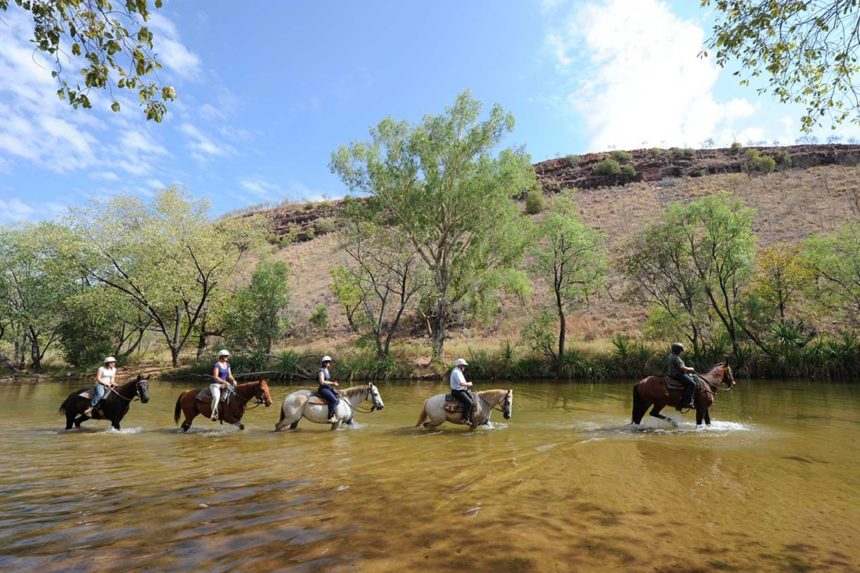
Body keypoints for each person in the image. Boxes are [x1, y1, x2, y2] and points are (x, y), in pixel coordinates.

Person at [666, 342, 697, 410]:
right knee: (693, 384)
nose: (681, 352)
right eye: (680, 350)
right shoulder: (676, 358)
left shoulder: (670, 355)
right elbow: (683, 368)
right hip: (677, 374)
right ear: (678, 350)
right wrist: (691, 368)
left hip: (671, 374)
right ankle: (687, 402)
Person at [210, 350, 238, 421]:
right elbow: (215, 377)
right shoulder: (217, 365)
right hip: (215, 385)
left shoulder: (228, 365)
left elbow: (229, 375)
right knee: (216, 397)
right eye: (226, 356)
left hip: (224, 385)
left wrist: (233, 380)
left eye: (227, 356)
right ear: (221, 357)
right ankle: (213, 413)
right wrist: (225, 382)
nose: (227, 357)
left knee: (234, 394)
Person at [450, 358, 475, 425]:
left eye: (464, 366)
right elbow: (461, 383)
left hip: (461, 390)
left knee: (473, 399)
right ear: (459, 365)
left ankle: (470, 417)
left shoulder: (458, 371)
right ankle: (464, 419)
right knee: (469, 402)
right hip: (457, 391)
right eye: (463, 365)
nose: (464, 367)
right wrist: (469, 384)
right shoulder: (456, 372)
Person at [317, 355, 340, 423]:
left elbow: (327, 381)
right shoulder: (321, 370)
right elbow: (322, 382)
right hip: (323, 389)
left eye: (329, 362)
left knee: (338, 396)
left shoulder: (327, 370)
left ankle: (334, 414)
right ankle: (329, 417)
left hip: (328, 388)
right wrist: (332, 383)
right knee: (334, 400)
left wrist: (333, 384)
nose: (328, 363)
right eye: (326, 362)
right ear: (323, 363)